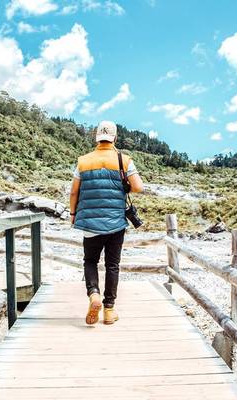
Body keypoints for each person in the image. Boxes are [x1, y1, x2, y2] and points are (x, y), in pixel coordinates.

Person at [69, 120, 143, 325]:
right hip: (116, 223)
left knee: (90, 261)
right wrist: (125, 184)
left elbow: (74, 191)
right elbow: (138, 187)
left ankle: (93, 294)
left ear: (96, 138)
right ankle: (109, 310)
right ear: (115, 138)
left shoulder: (83, 161)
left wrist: (73, 214)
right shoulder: (124, 160)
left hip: (90, 223)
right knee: (112, 265)